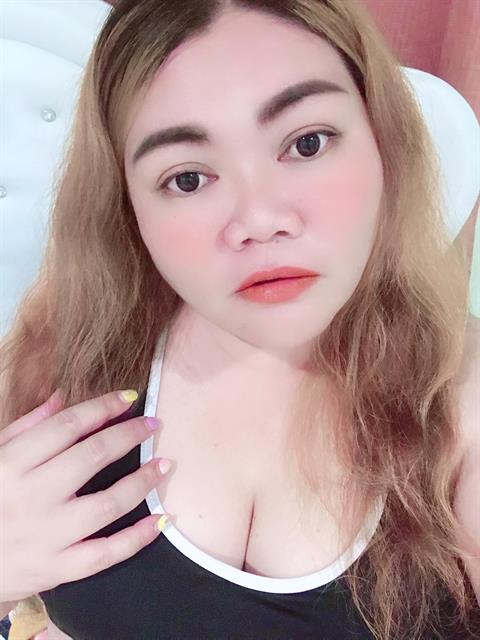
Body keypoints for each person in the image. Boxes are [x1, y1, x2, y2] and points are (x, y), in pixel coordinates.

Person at [1, 1, 478, 638]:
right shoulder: (64, 354)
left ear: (383, 143)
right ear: (128, 206)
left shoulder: (460, 408)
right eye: (188, 179)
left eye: (306, 143)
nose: (259, 219)